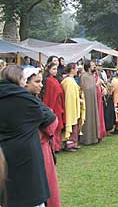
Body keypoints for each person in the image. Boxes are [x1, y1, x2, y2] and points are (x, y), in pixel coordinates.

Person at [0, 66, 50, 206]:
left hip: (4, 154)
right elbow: (46, 117)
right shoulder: (26, 100)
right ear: (20, 80)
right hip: (26, 156)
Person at [24, 68, 61, 207]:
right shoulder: (28, 104)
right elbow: (50, 126)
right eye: (37, 81)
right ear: (25, 83)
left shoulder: (34, 100)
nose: (41, 85)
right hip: (37, 148)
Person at [42, 62, 65, 152]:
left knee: (58, 125)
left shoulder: (54, 80)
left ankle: (57, 146)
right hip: (53, 104)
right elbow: (49, 95)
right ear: (49, 70)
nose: (55, 71)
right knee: (54, 125)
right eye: (53, 69)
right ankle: (53, 146)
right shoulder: (49, 81)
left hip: (57, 104)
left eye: (56, 69)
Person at [61, 63, 85, 152]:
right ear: (72, 69)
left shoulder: (72, 80)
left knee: (75, 125)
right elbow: (70, 96)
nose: (77, 71)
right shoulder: (68, 81)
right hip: (70, 106)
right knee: (71, 124)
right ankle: (69, 144)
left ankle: (74, 143)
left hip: (75, 105)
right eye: (75, 69)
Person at [80, 61, 100, 145]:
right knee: (88, 117)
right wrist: (96, 84)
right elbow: (86, 88)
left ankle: (94, 137)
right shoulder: (84, 76)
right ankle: (87, 139)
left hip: (93, 100)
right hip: (87, 101)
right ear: (88, 67)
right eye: (92, 66)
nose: (94, 67)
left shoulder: (91, 76)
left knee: (93, 116)